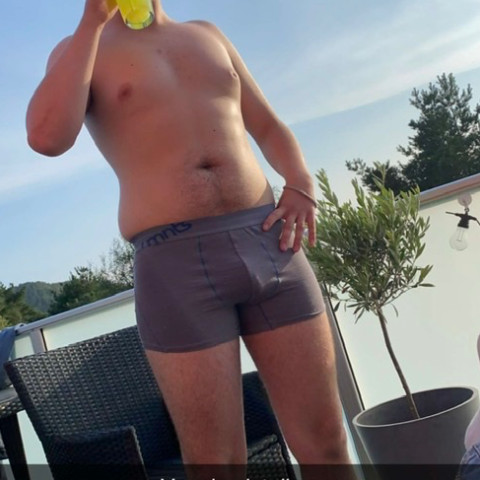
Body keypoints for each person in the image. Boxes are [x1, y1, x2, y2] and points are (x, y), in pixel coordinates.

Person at [26, 1, 357, 478]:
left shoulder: (207, 34)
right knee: (217, 464)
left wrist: (300, 181)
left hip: (270, 241)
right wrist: (91, 20)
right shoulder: (82, 47)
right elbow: (46, 137)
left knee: (327, 442)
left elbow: (266, 125)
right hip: (175, 261)